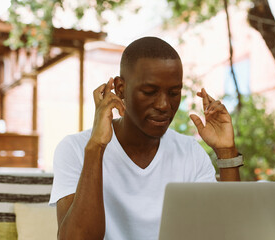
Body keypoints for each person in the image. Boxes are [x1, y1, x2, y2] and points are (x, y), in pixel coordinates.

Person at [49, 36, 242, 240]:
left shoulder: (190, 153)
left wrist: (226, 152)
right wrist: (96, 146)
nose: (164, 105)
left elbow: (228, 233)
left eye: (174, 93)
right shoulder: (75, 149)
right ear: (121, 88)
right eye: (150, 92)